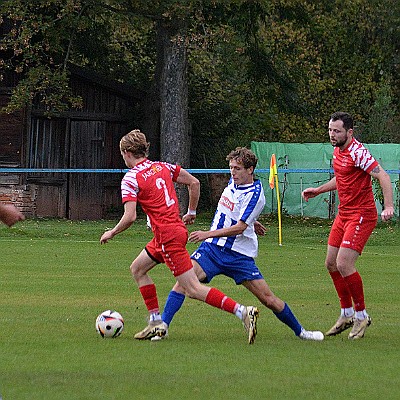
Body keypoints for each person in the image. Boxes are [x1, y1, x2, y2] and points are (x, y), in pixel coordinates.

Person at [100, 130, 259, 344]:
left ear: (127, 153)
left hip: (167, 237)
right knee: (138, 268)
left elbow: (130, 217)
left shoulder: (131, 178)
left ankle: (243, 312)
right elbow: (194, 183)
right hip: (173, 231)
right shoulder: (162, 166)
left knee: (192, 288)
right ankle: (156, 322)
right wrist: (191, 211)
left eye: (122, 155)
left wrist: (112, 232)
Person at [154, 147, 324, 342]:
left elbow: (240, 227)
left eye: (237, 168)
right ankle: (162, 327)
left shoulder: (255, 194)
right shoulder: (234, 182)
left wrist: (207, 233)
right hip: (212, 249)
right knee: (184, 283)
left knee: (268, 299)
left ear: (250, 169)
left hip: (239, 255)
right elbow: (237, 212)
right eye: (231, 168)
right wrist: (252, 221)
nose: (233, 172)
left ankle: (302, 332)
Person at [302, 111, 394, 340]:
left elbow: (382, 176)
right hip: (344, 215)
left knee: (344, 263)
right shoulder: (338, 151)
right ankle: (346, 313)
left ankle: (362, 315)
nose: (332, 135)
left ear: (349, 132)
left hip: (362, 215)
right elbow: (342, 178)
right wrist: (318, 190)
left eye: (337, 131)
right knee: (331, 263)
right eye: (330, 130)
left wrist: (388, 206)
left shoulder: (358, 152)